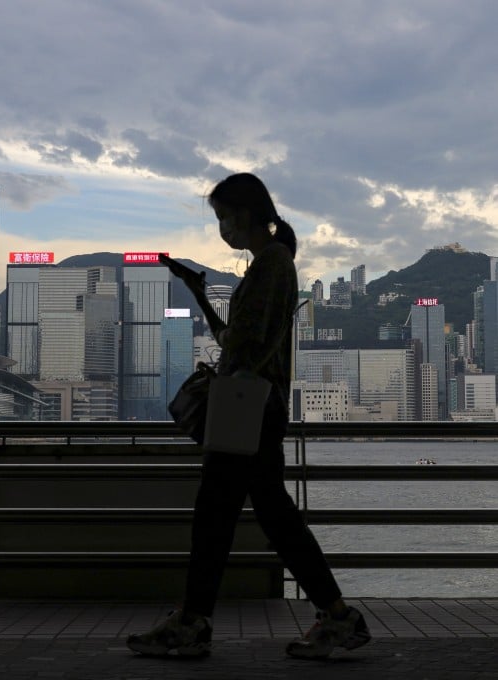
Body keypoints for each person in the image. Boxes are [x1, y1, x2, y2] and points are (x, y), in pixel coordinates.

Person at [126, 173, 371, 660]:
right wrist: (199, 294)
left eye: (224, 217)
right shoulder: (272, 263)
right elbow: (238, 340)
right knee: (272, 516)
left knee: (216, 514)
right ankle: (338, 618)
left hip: (248, 410)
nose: (222, 229)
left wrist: (211, 319)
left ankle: (194, 622)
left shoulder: (272, 266)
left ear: (246, 213)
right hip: (259, 408)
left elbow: (242, 346)